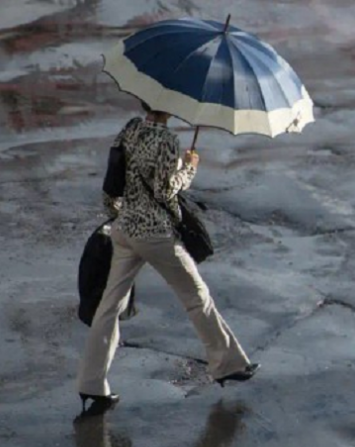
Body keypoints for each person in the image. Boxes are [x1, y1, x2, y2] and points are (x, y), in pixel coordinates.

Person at [76, 101, 258, 413]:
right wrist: (189, 168)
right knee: (196, 296)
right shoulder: (167, 140)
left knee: (109, 307)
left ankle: (91, 384)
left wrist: (118, 215)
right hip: (154, 234)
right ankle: (226, 364)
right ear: (168, 107)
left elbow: (113, 180)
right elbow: (165, 191)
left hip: (124, 229)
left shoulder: (130, 129)